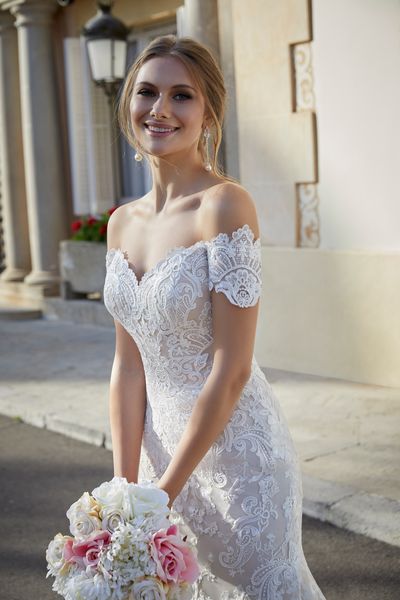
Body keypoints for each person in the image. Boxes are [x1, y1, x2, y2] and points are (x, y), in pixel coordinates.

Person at [104, 34, 326, 600]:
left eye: (182, 96)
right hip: (157, 454)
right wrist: (126, 487)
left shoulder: (224, 206)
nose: (160, 109)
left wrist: (163, 494)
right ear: (128, 102)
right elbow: (129, 367)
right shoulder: (121, 223)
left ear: (208, 115)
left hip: (238, 459)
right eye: (147, 92)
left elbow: (232, 369)